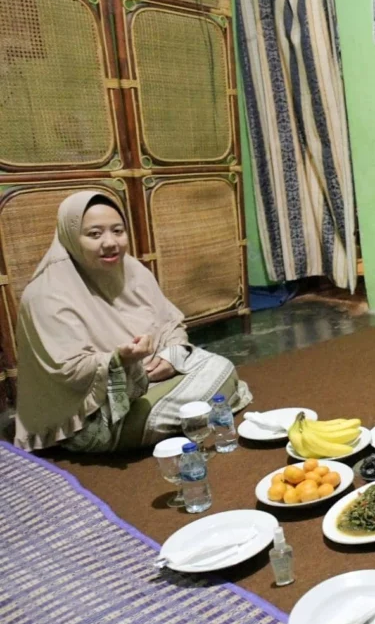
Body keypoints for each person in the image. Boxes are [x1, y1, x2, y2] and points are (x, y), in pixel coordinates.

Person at [13, 191, 252, 453]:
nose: (110, 243)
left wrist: (171, 356)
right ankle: (188, 415)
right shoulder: (45, 295)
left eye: (118, 231)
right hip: (92, 417)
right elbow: (68, 373)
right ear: (69, 237)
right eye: (94, 234)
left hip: (149, 382)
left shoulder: (132, 270)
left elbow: (170, 324)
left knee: (220, 367)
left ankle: (184, 412)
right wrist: (118, 360)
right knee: (217, 380)